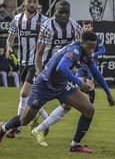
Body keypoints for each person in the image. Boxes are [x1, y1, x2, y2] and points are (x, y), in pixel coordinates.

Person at [0, 31, 115, 154]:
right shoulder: (75, 51)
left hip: (62, 85)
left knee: (89, 110)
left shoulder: (86, 52)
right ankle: (3, 128)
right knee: (25, 120)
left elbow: (95, 71)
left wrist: (108, 93)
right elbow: (61, 67)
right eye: (89, 47)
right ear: (82, 43)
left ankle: (75, 144)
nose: (92, 50)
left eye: (94, 47)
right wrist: (80, 83)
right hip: (44, 85)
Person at [31, 20, 106, 149]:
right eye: (85, 26)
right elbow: (70, 57)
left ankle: (40, 125)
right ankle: (39, 127)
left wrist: (94, 54)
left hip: (82, 70)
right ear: (82, 28)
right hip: (71, 72)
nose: (87, 28)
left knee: (68, 105)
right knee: (70, 105)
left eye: (89, 26)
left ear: (92, 27)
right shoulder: (79, 40)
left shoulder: (94, 40)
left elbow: (103, 49)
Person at [5, 0, 48, 137]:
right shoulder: (17, 19)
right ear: (24, 3)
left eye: (35, 2)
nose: (32, 4)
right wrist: (9, 47)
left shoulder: (44, 20)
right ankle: (46, 121)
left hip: (36, 63)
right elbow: (9, 38)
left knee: (24, 94)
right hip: (22, 63)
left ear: (38, 3)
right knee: (30, 97)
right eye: (29, 1)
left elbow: (50, 42)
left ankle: (16, 128)